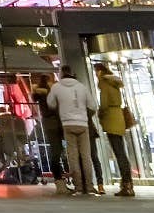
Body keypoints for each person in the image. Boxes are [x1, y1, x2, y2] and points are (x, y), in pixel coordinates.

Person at [47, 66, 96, 197]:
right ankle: (90, 187)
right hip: (83, 124)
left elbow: (50, 103)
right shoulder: (81, 86)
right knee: (86, 156)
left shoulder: (56, 87)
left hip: (67, 124)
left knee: (73, 157)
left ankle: (78, 187)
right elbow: (93, 106)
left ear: (61, 73)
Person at [95, 62, 135, 197]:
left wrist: (100, 114)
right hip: (119, 118)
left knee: (119, 153)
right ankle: (128, 183)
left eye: (96, 72)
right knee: (121, 152)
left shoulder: (105, 84)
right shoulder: (114, 84)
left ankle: (126, 184)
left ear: (100, 72)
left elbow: (104, 104)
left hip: (111, 119)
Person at [32, 74, 66, 192]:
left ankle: (59, 180)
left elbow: (35, 98)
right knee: (59, 151)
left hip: (49, 123)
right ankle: (61, 178)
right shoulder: (53, 92)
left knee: (55, 150)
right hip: (58, 122)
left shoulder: (40, 94)